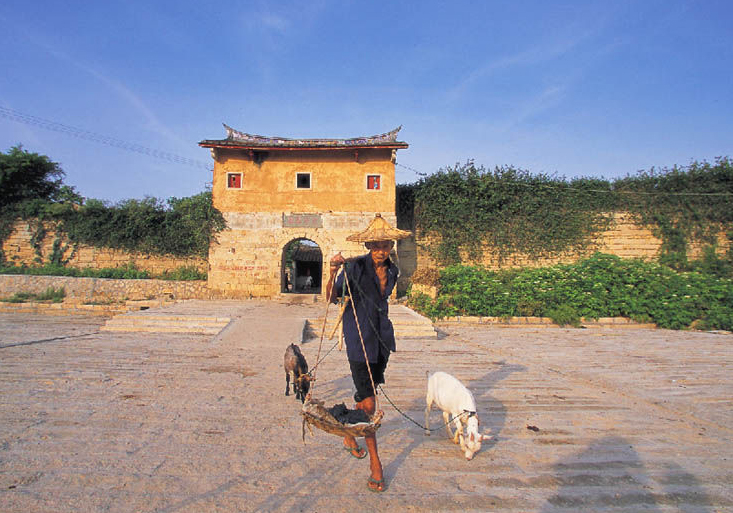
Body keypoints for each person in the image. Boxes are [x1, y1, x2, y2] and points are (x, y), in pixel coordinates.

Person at [325, 214, 410, 493]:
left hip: (382, 338)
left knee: (366, 395)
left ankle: (350, 435)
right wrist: (332, 272)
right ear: (368, 246)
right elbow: (331, 297)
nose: (380, 251)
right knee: (371, 404)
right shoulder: (354, 267)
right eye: (375, 246)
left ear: (390, 247)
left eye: (385, 245)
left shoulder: (394, 271)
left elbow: (382, 301)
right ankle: (376, 463)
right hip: (358, 337)